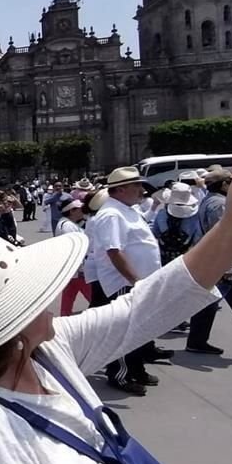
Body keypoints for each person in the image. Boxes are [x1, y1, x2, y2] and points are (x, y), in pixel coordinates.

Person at [0, 155, 232, 464]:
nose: (47, 294)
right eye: (31, 288)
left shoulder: (45, 351)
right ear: (9, 318)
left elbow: (143, 307)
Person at [85, 167, 172, 396]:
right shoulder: (112, 214)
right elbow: (115, 251)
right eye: (137, 186)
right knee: (122, 331)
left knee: (136, 330)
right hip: (123, 282)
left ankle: (136, 368)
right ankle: (120, 374)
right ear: (121, 189)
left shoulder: (125, 210)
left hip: (136, 280)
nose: (142, 190)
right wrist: (134, 280)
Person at [186, 167, 232, 354]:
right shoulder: (220, 204)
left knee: (210, 301)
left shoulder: (209, 201)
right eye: (230, 182)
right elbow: (225, 235)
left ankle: (196, 340)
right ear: (223, 184)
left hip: (219, 261)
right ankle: (196, 340)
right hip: (227, 262)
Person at [55, 197, 92, 316]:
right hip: (77, 268)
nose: (83, 211)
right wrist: (80, 268)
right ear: (72, 211)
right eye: (80, 209)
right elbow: (74, 249)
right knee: (93, 297)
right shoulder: (67, 226)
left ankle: (63, 318)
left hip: (71, 269)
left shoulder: (67, 224)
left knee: (68, 296)